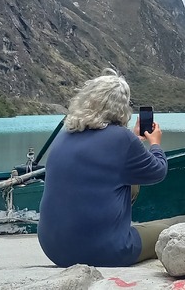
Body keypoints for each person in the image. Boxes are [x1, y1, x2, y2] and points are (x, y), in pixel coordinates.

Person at [37, 68, 169, 267]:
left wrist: (133, 140)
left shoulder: (64, 134)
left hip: (53, 249)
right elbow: (158, 171)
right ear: (122, 106)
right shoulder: (122, 139)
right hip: (105, 251)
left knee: (129, 183)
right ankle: (115, 234)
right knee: (165, 232)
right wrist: (155, 144)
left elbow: (110, 157)